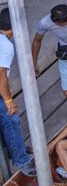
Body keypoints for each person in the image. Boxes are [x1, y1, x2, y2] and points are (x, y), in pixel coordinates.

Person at [0, 9, 36, 176]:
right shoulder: (6, 45)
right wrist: (8, 100)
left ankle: (12, 148)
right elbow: (0, 75)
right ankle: (21, 160)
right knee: (11, 120)